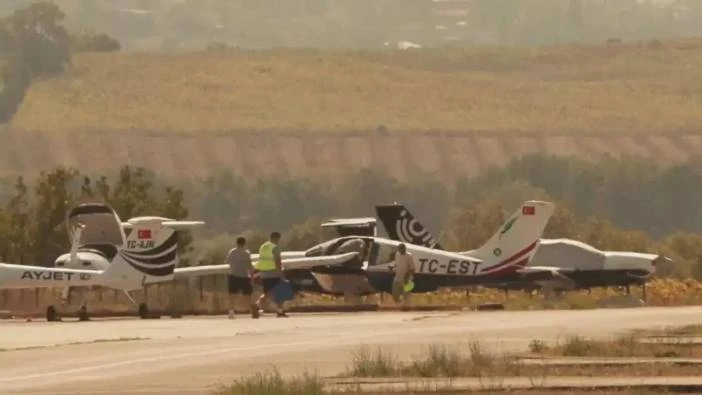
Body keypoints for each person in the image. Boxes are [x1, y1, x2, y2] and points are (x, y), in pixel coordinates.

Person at [253, 231, 288, 318]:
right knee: (280, 291)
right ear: (277, 238)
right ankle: (280, 311)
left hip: (264, 272)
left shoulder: (263, 246)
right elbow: (277, 261)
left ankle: (257, 304)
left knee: (267, 292)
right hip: (274, 272)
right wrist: (281, 274)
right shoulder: (275, 247)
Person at [226, 236, 258, 319]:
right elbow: (249, 265)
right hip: (243, 276)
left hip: (233, 275)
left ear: (237, 243)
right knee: (248, 295)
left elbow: (228, 261)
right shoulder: (246, 253)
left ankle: (231, 312)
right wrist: (252, 274)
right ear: (244, 243)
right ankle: (252, 312)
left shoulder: (232, 252)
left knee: (232, 295)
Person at [391, 243, 415, 307]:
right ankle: (400, 304)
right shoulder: (397, 255)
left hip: (407, 279)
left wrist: (408, 277)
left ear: (404, 249)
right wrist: (392, 267)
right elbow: (396, 264)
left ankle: (407, 306)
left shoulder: (409, 256)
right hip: (398, 277)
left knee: (406, 295)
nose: (401, 251)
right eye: (400, 249)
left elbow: (412, 268)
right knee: (395, 294)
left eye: (402, 249)